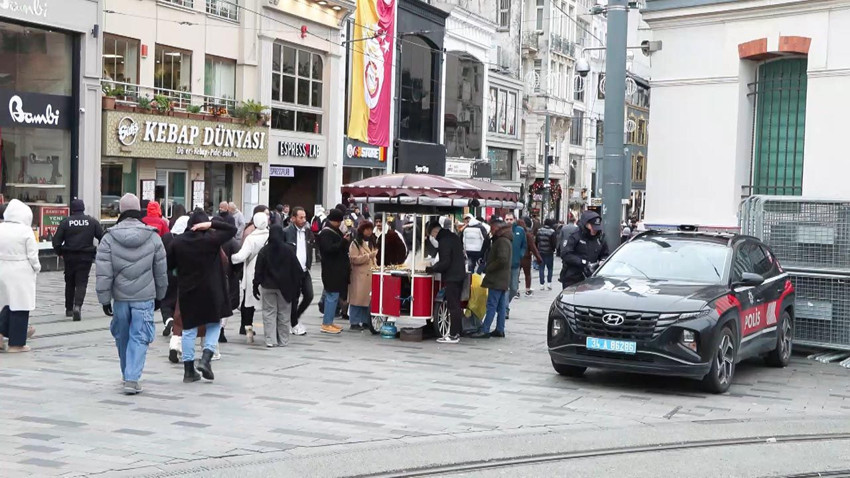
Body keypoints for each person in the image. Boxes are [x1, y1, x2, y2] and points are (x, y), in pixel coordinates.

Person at [95, 194, 168, 394]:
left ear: (120, 211)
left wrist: (104, 299)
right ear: (139, 211)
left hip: (120, 298)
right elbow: (161, 270)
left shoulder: (108, 238)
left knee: (123, 336)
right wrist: (161, 295)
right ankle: (132, 377)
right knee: (140, 335)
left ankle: (127, 373)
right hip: (144, 297)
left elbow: (103, 272)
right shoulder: (153, 237)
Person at [168, 209, 237, 383]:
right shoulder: (211, 240)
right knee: (214, 323)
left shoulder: (178, 242)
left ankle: (189, 371)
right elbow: (231, 229)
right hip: (212, 290)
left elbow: (170, 266)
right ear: (203, 224)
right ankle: (206, 358)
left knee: (189, 329)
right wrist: (212, 223)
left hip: (188, 290)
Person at [52, 199, 104, 321]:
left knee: (69, 282)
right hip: (86, 256)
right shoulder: (92, 221)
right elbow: (103, 237)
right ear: (83, 208)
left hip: (69, 256)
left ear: (72, 209)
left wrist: (60, 252)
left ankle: (69, 309)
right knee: (82, 282)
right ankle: (77, 306)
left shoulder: (66, 222)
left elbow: (56, 241)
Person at [0, 200, 41, 353]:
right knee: (20, 306)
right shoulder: (25, 231)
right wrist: (36, 268)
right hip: (20, 271)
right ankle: (16, 344)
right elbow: (32, 254)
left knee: (4, 304)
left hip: (2, 269)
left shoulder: (1, 227)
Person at [252, 224, 302, 347]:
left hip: (268, 286)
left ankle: (270, 340)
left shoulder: (264, 250)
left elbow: (258, 270)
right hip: (285, 287)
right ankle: (283, 340)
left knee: (269, 313)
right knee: (284, 313)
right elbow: (297, 270)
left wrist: (255, 284)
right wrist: (297, 287)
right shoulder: (288, 250)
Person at [425, 220, 466, 344]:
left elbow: (445, 262)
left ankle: (453, 335)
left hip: (452, 276)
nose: (433, 238)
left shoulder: (444, 241)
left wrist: (432, 268)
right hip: (459, 274)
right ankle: (458, 331)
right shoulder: (453, 236)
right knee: (456, 305)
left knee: (453, 305)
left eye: (432, 235)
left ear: (435, 231)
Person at [471, 217, 512, 339]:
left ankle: (485, 329)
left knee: (492, 305)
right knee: (500, 306)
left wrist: (489, 267)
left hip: (497, 278)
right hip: (502, 277)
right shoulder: (505, 239)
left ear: (498, 229)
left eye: (493, 228)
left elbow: (502, 259)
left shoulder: (502, 241)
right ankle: (500, 329)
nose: (491, 231)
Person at [231, 211, 269, 344]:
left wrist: (230, 257)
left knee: (249, 301)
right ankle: (271, 331)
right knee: (268, 302)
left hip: (252, 271)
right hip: (268, 272)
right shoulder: (270, 235)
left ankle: (248, 329)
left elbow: (241, 256)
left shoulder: (251, 238)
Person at [317, 208, 350, 334]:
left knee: (334, 296)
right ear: (336, 221)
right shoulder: (326, 233)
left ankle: (329, 321)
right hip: (331, 270)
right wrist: (343, 242)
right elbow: (329, 249)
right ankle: (326, 323)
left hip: (337, 269)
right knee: (331, 296)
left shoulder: (335, 231)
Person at [161, 215, 188, 362]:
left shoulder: (167, 237)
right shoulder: (189, 240)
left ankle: (169, 321)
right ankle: (176, 329)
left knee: (166, 300)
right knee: (180, 304)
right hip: (185, 276)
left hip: (168, 273)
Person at [283, 207, 314, 336]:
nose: (303, 220)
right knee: (294, 298)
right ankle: (294, 323)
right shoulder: (286, 232)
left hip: (304, 269)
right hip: (292, 271)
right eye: (300, 217)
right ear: (293, 218)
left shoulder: (307, 232)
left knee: (309, 295)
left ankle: (295, 317)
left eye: (305, 217)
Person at [560, 210, 611, 288]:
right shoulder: (575, 235)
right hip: (573, 277)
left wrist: (603, 260)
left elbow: (605, 254)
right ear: (586, 224)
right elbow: (566, 254)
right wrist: (583, 262)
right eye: (593, 227)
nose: (595, 230)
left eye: (597, 227)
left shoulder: (600, 238)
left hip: (591, 277)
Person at [347, 221, 377, 331]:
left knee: (366, 300)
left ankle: (365, 321)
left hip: (370, 274)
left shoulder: (372, 241)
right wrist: (368, 256)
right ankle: (354, 322)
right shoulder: (355, 243)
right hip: (359, 275)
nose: (369, 231)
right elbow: (354, 259)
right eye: (367, 229)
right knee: (357, 300)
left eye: (370, 229)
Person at [505, 213, 527, 320]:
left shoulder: (520, 231)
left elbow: (524, 245)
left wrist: (520, 255)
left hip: (515, 264)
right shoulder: (502, 231)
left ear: (514, 220)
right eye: (507, 219)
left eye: (510, 219)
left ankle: (504, 304)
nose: (509, 221)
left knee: (514, 288)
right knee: (505, 288)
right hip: (504, 265)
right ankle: (505, 309)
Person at [521, 217, 542, 297]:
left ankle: (516, 290)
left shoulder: (514, 232)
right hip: (526, 256)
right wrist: (538, 257)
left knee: (516, 274)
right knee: (527, 274)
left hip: (517, 256)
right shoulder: (529, 233)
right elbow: (533, 247)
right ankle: (527, 289)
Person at [536, 219, 558, 290]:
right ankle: (549, 283)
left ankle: (541, 284)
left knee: (541, 268)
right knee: (550, 268)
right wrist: (553, 249)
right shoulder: (552, 232)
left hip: (541, 252)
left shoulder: (539, 231)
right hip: (549, 252)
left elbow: (536, 241)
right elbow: (554, 243)